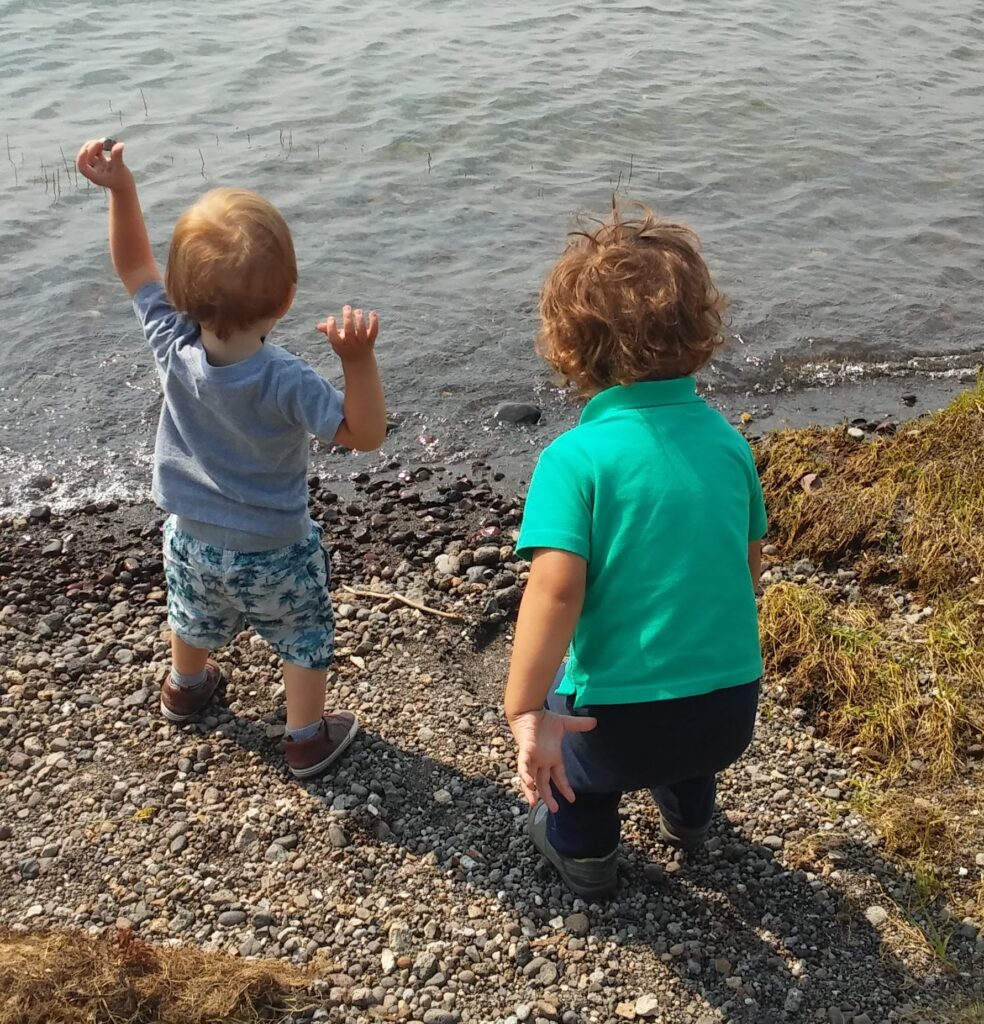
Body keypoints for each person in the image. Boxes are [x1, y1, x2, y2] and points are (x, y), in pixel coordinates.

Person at [76, 138, 387, 779]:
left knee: (190, 615)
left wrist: (123, 191)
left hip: (188, 538)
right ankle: (304, 737)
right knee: (302, 635)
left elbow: (134, 268)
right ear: (285, 300)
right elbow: (364, 434)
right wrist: (358, 361)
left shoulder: (172, 341)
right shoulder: (287, 379)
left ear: (184, 294)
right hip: (275, 546)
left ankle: (185, 689)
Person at [504, 204, 765, 899]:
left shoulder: (574, 460)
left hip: (612, 730)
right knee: (684, 735)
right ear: (699, 334)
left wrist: (526, 708)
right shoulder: (728, 444)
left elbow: (554, 594)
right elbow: (746, 567)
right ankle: (690, 817)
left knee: (573, 767)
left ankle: (585, 855)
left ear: (573, 349)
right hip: (728, 713)